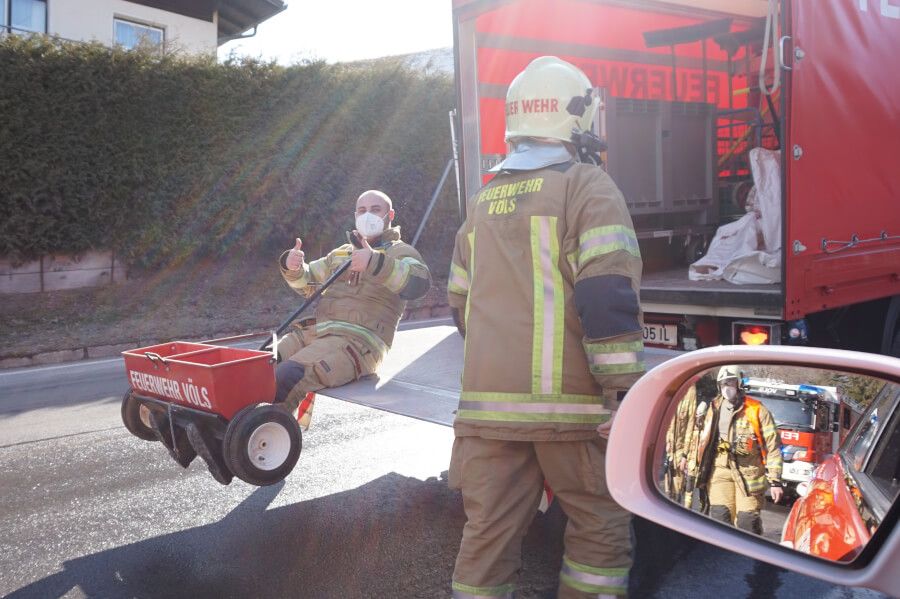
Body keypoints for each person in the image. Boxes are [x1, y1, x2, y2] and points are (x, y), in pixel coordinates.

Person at [446, 56, 644, 598]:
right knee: (599, 530)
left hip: (486, 417)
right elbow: (606, 295)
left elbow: (460, 305)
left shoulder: (481, 202)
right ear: (577, 117)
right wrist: (623, 392)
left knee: (485, 539)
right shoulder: (587, 186)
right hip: (573, 416)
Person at [275, 189, 431, 424]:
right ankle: (233, 428)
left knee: (289, 376)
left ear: (390, 215)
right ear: (355, 215)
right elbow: (308, 283)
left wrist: (375, 262)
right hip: (316, 333)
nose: (368, 215)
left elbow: (419, 283)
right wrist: (293, 267)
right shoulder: (342, 252)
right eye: (362, 210)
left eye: (375, 210)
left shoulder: (402, 252)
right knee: (258, 365)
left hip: (357, 344)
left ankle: (265, 437)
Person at [701, 365, 783, 534]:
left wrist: (775, 481)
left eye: (730, 382)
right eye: (723, 383)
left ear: (739, 383)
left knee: (747, 522)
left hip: (749, 475)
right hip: (720, 471)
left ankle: (751, 549)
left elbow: (772, 446)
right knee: (720, 518)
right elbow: (704, 440)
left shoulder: (757, 410)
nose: (727, 387)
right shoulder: (714, 407)